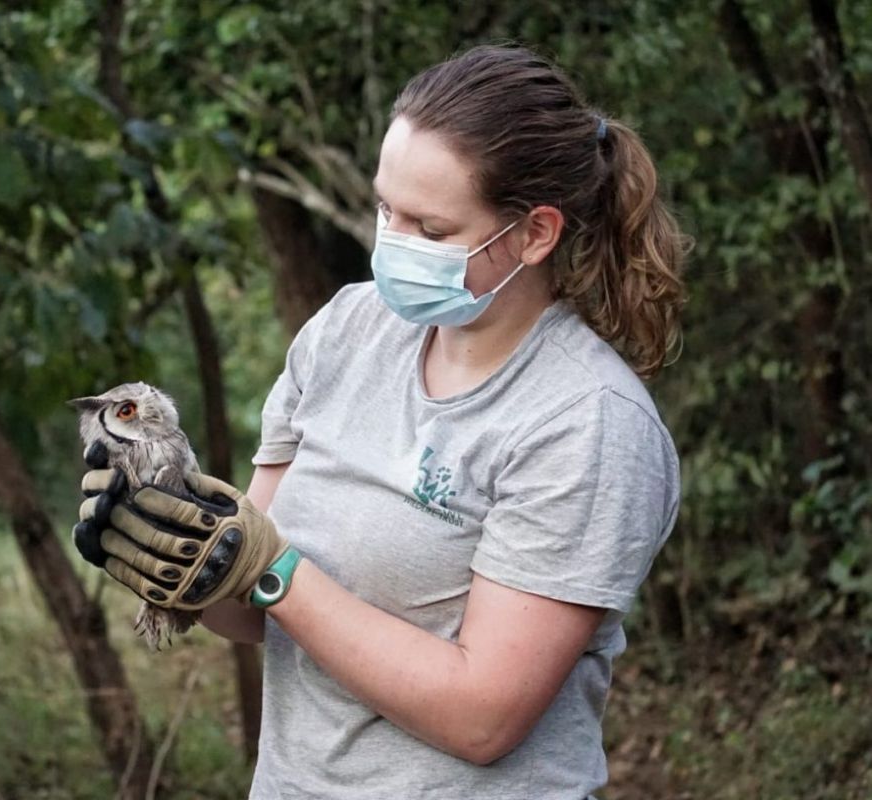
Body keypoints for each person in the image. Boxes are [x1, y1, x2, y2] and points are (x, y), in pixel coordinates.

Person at [75, 43, 687, 800]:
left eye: (430, 230)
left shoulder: (586, 423)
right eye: (384, 209)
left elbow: (483, 718)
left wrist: (268, 570)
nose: (392, 244)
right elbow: (259, 616)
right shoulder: (345, 332)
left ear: (534, 235)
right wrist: (181, 558)